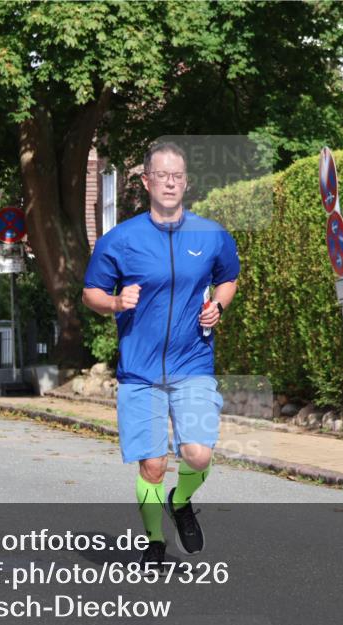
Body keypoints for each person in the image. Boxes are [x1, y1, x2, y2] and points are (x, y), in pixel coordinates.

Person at [82, 141, 240, 570]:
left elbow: (229, 279)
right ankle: (154, 541)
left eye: (177, 176)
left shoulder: (210, 235)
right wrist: (115, 303)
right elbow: (90, 292)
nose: (170, 183)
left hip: (193, 363)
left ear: (185, 182)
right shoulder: (121, 240)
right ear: (146, 180)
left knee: (199, 455)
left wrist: (218, 307)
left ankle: (181, 500)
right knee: (152, 464)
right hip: (140, 370)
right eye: (161, 175)